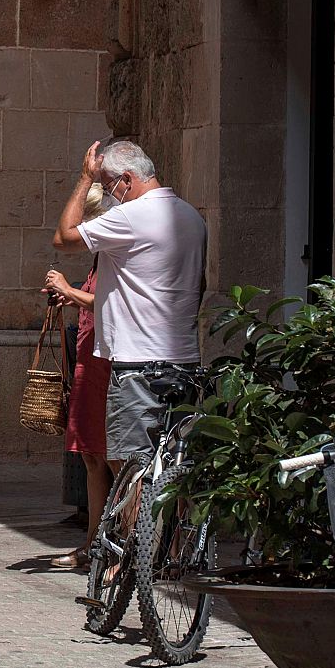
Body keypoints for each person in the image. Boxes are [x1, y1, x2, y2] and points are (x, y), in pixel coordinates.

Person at [52, 139, 206, 475]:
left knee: (129, 467)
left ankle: (136, 529)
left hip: (136, 363)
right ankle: (170, 529)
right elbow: (200, 285)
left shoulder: (129, 216)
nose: (108, 196)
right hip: (185, 360)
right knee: (173, 465)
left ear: (126, 179)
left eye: (108, 187)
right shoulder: (193, 217)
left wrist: (84, 179)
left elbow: (64, 237)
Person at [42, 184, 113, 569]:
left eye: (88, 218)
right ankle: (94, 544)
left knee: (108, 457)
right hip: (89, 357)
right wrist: (68, 295)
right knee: (91, 456)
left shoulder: (115, 255)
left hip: (104, 362)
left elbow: (110, 303)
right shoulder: (100, 258)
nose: (83, 227)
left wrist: (69, 289)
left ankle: (113, 544)